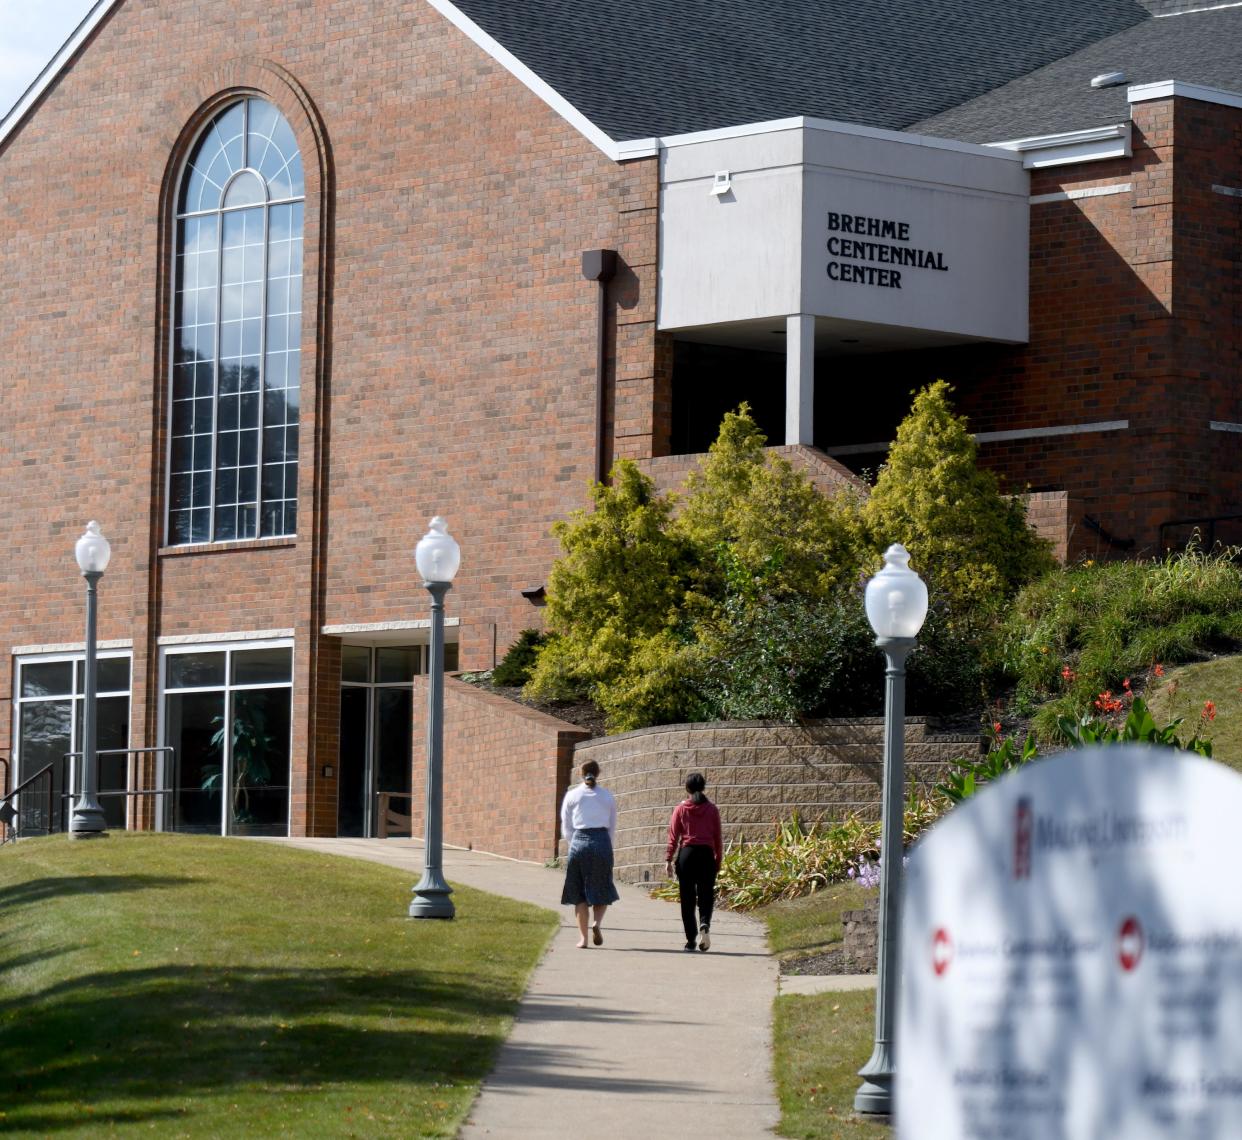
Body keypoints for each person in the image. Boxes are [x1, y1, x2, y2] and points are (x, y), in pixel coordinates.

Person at [559, 759, 620, 948]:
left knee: (579, 893)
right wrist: (606, 846)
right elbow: (611, 826)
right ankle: (597, 923)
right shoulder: (607, 796)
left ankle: (583, 939)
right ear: (598, 772)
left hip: (579, 841)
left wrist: (574, 843)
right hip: (601, 841)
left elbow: (566, 826)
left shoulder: (572, 795)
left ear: (580, 772)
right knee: (602, 887)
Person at [665, 772, 722, 952]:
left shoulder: (681, 809)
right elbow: (717, 838)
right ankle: (704, 922)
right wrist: (718, 860)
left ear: (687, 788)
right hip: (706, 856)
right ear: (703, 787)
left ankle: (691, 940)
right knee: (706, 895)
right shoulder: (712, 809)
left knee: (687, 900)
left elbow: (673, 836)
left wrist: (668, 859)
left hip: (687, 856)